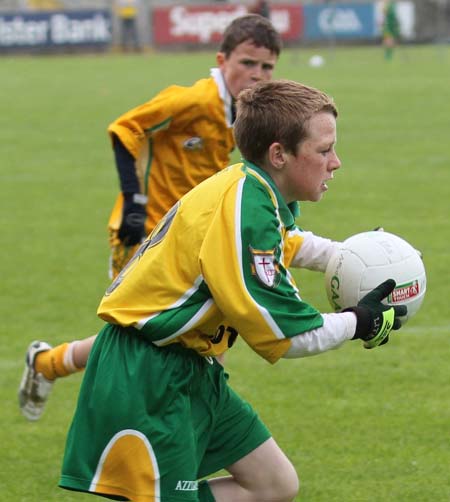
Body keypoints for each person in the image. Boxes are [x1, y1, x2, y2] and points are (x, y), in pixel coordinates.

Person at [59, 79, 407, 502]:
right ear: (279, 154)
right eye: (323, 150)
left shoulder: (251, 187)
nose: (336, 162)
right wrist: (359, 321)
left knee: (273, 484)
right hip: (147, 376)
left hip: (192, 367)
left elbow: (286, 239)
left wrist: (349, 254)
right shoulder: (246, 208)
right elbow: (289, 335)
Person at [18, 14, 282, 421]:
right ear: (221, 59)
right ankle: (56, 371)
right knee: (139, 338)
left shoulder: (240, 114)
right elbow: (125, 128)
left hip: (189, 241)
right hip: (144, 237)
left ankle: (52, 366)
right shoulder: (194, 100)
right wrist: (135, 201)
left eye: (266, 67)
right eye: (247, 63)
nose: (256, 75)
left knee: (201, 327)